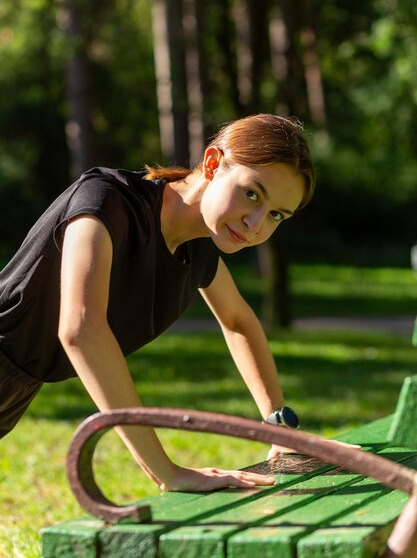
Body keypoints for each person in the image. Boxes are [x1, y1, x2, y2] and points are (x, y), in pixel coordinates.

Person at [0, 113, 315, 492]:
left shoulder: (196, 249)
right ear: (213, 163)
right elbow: (81, 329)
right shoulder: (107, 200)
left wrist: (280, 429)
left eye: (276, 215)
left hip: (19, 382)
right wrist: (167, 471)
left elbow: (238, 321)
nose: (256, 224)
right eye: (252, 193)